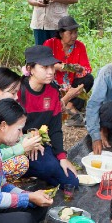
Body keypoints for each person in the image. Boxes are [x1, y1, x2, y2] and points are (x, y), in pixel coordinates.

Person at [19, 45, 79, 187]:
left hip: (40, 146)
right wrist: (26, 141)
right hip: (17, 148)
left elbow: (55, 128)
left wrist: (62, 157)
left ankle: (39, 171)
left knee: (72, 182)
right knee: (49, 166)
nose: (51, 72)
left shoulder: (53, 91)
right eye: (44, 67)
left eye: (52, 66)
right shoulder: (17, 91)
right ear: (30, 69)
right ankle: (26, 172)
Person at [44, 15, 94, 126]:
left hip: (71, 84)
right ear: (61, 33)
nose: (74, 36)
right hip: (54, 83)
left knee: (88, 79)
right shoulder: (50, 43)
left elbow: (87, 68)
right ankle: (64, 108)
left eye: (76, 32)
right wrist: (64, 67)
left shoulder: (80, 46)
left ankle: (70, 106)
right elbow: (44, 64)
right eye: (70, 33)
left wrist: (80, 69)